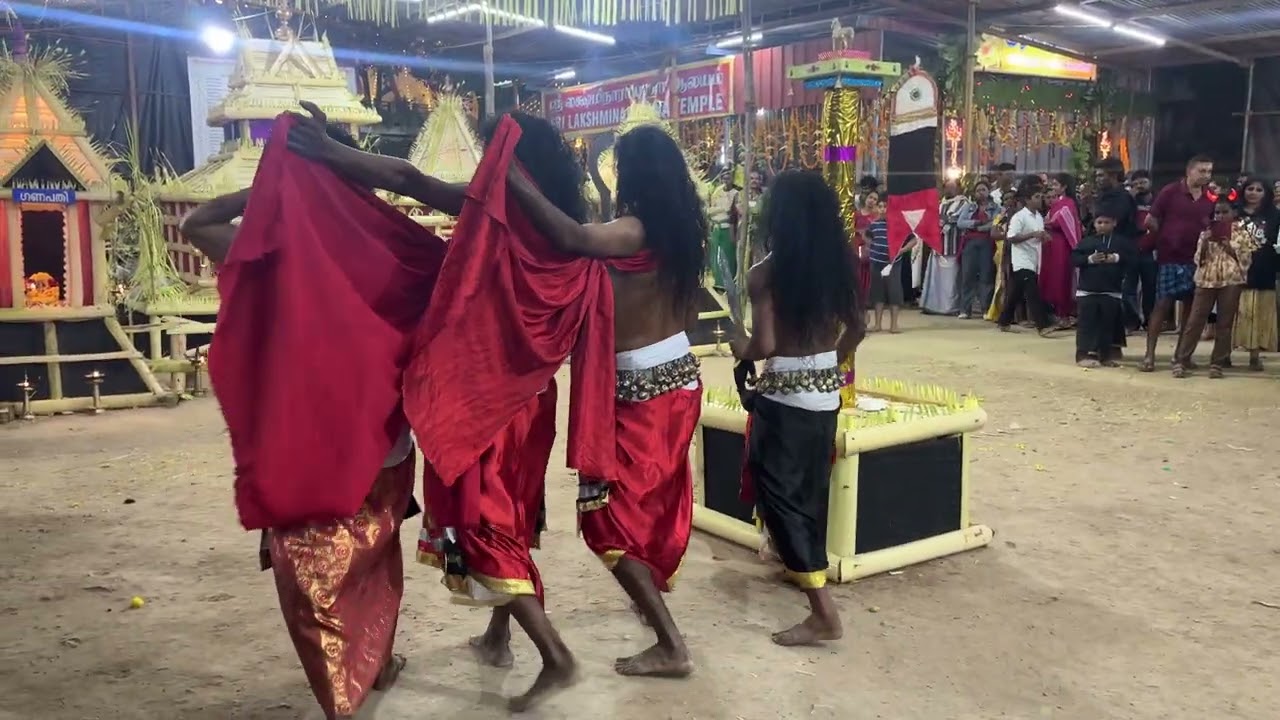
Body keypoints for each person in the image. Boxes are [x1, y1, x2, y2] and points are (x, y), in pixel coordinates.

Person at [286, 106, 587, 711]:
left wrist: (332, 155)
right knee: (513, 517)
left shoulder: (501, 213)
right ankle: (500, 636)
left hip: (485, 405)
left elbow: (410, 181)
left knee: (481, 527)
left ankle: (557, 658)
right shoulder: (561, 228)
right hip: (532, 397)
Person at [180, 125, 417, 720]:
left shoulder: (271, 251)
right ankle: (372, 664)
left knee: (314, 566)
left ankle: (347, 688)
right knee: (375, 555)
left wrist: (271, 181)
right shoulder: (385, 249)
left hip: (308, 446)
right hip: (381, 442)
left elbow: (197, 223)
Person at [505, 124, 706, 679]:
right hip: (679, 380)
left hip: (639, 394)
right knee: (647, 509)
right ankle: (655, 619)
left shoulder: (634, 231)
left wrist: (513, 180)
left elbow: (572, 238)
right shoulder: (684, 230)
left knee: (607, 523)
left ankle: (671, 644)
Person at [730, 171, 864, 645]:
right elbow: (858, 329)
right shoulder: (839, 265)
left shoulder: (765, 273)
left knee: (780, 497)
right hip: (823, 396)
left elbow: (763, 344)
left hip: (783, 400)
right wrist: (828, 365)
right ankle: (803, 571)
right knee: (808, 491)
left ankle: (822, 613)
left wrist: (736, 341)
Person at [1172, 195, 1260, 378]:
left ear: (1234, 213)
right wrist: (1206, 242)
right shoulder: (1205, 232)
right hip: (1206, 279)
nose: (1220, 216)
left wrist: (1229, 246)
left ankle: (1217, 362)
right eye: (1217, 212)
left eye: (1224, 212)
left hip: (1231, 280)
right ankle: (1182, 360)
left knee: (1224, 323)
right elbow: (1198, 259)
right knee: (1195, 321)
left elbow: (1246, 260)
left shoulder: (1242, 233)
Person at [1142, 154, 1215, 372]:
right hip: (1170, 258)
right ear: (1189, 171)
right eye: (1202, 171)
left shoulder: (1209, 197)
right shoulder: (1170, 191)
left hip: (1196, 260)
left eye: (1209, 171)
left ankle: (1181, 356)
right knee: (1162, 306)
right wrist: (1166, 237)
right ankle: (1149, 355)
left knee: (1191, 311)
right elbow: (1150, 220)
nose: (1206, 175)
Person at [1072, 212, 1135, 367]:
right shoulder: (1086, 242)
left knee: (1107, 325)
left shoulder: (1122, 243)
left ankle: (1105, 356)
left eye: (1106, 222)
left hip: (1111, 290)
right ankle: (1083, 355)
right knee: (1087, 324)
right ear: (1094, 224)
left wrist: (1117, 258)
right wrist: (1089, 259)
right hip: (1087, 290)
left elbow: (1133, 259)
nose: (1102, 225)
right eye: (1099, 222)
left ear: (1114, 223)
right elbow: (1073, 259)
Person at [1232, 177, 1279, 370]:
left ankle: (1255, 356)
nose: (1253, 193)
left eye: (1258, 190)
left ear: (1266, 193)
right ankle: (1224, 354)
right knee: (1234, 311)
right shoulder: (1234, 212)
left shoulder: (1275, 215)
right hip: (1235, 268)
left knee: (1260, 311)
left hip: (1264, 266)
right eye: (1250, 189)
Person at [996, 185, 1054, 336]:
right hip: (1022, 259)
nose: (1040, 199)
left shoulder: (1039, 217)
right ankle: (1043, 325)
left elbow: (1038, 234)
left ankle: (1004, 320)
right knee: (1032, 292)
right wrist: (1032, 235)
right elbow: (1011, 237)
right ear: (1027, 200)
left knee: (1015, 292)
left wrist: (1044, 237)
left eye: (1041, 196)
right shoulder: (1019, 217)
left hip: (1034, 257)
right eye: (1036, 196)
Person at [920, 179, 966, 315]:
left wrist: (941, 219)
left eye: (952, 187)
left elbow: (954, 219)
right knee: (936, 278)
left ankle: (950, 308)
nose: (949, 190)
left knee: (950, 280)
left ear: (958, 188)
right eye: (947, 187)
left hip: (952, 246)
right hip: (937, 246)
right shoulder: (941, 203)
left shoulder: (963, 203)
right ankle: (933, 306)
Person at [1043, 173, 1083, 326]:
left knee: (1062, 279)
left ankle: (1064, 314)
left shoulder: (1068, 202)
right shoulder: (1058, 203)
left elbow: (1058, 221)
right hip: (1052, 244)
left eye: (1056, 184)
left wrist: (1047, 223)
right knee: (1053, 278)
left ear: (1064, 186)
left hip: (1062, 245)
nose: (1053, 187)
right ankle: (1058, 313)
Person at [957, 179, 999, 318]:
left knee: (986, 276)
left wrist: (980, 227)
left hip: (987, 243)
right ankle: (965, 309)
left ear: (988, 192)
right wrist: (977, 223)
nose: (980, 193)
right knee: (967, 275)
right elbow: (960, 223)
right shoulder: (969, 207)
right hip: (970, 242)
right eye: (977, 190)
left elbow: (995, 223)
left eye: (983, 190)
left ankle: (986, 309)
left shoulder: (996, 207)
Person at [1123, 170, 1159, 331]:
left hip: (1151, 251)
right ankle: (1132, 321)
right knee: (1128, 288)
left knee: (1150, 288)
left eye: (1142, 182)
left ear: (1150, 182)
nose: (1139, 186)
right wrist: (1129, 198)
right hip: (1130, 250)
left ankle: (1150, 320)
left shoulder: (1158, 201)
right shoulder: (1128, 202)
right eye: (1136, 184)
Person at [866, 204, 911, 332]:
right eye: (880, 207)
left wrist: (902, 250)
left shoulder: (900, 225)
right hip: (876, 263)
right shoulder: (874, 224)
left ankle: (894, 325)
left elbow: (913, 240)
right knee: (877, 293)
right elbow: (867, 237)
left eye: (886, 207)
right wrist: (872, 248)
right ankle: (878, 324)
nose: (883, 210)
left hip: (893, 263)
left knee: (894, 293)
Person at [984, 191, 1019, 322]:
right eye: (1006, 199)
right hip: (1002, 252)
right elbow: (994, 234)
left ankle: (1015, 315)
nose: (1009, 201)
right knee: (1003, 283)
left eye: (1012, 198)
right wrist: (1010, 236)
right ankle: (1001, 312)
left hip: (1016, 252)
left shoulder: (1019, 216)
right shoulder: (1001, 216)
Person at [708, 166, 741, 289]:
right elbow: (710, 211)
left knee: (728, 257)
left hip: (728, 229)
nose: (726, 180)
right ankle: (718, 283)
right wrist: (721, 210)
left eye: (728, 177)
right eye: (724, 177)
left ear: (732, 178)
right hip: (716, 228)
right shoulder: (717, 191)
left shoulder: (736, 193)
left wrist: (722, 212)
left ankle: (727, 285)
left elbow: (731, 213)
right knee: (716, 257)